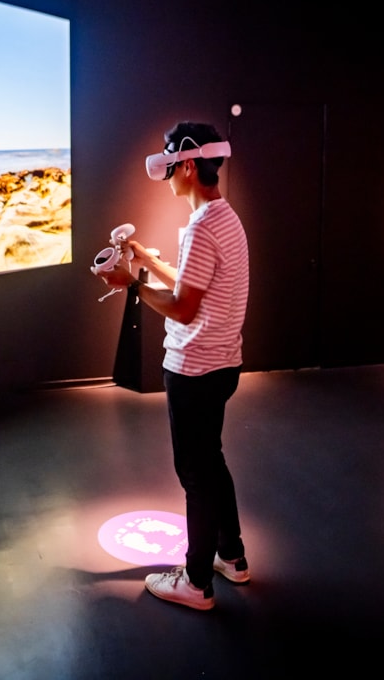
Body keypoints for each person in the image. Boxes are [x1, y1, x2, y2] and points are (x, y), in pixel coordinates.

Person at [96, 121, 250, 611]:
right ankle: (233, 557)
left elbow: (184, 308)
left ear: (186, 165)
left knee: (195, 474)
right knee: (213, 461)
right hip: (222, 364)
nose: (166, 178)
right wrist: (146, 261)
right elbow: (192, 284)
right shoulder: (224, 219)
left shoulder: (202, 227)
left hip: (193, 370)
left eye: (168, 168)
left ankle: (197, 582)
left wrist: (131, 284)